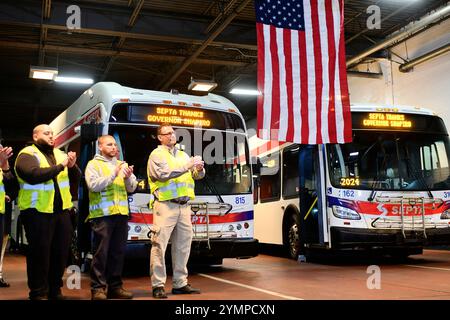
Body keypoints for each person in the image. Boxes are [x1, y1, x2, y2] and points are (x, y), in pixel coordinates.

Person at [14, 124, 77, 300]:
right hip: (37, 212)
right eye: (46, 133)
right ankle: (38, 292)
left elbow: (75, 180)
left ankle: (55, 290)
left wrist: (72, 167)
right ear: (35, 137)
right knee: (39, 255)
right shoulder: (27, 154)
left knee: (60, 254)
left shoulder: (60, 154)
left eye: (52, 133)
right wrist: (61, 166)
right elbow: (33, 175)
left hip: (61, 212)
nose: (51, 136)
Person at [147, 123, 205, 299]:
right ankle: (158, 285)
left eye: (173, 132)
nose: (172, 135)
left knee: (183, 247)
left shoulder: (182, 154)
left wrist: (199, 169)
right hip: (165, 205)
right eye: (168, 133)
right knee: (159, 246)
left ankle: (180, 283)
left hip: (184, 206)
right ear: (160, 137)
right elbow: (163, 174)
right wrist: (188, 165)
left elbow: (195, 176)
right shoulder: (156, 154)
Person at [85, 135, 137, 300]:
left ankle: (115, 287)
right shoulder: (93, 164)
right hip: (102, 215)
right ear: (100, 147)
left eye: (115, 145)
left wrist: (128, 176)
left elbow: (132, 187)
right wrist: (114, 174)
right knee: (101, 253)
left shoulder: (122, 164)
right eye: (109, 144)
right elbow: (93, 186)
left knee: (118, 252)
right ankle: (98, 289)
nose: (114, 147)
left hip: (120, 214)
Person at [0, 144, 14, 287]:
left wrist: (5, 166)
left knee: (2, 246)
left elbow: (12, 186)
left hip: (2, 213)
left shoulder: (3, 168)